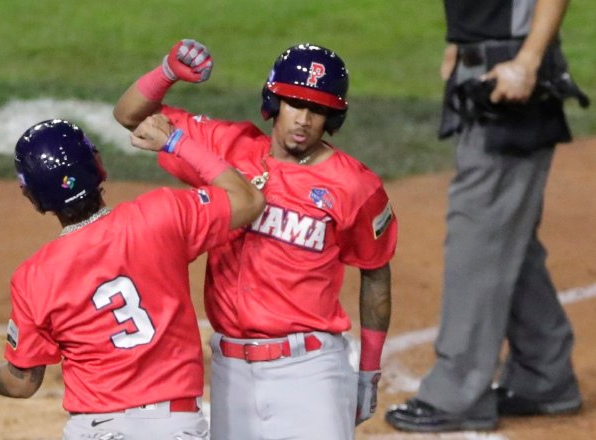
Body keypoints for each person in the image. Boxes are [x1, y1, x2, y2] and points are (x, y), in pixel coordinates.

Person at [113, 39, 398, 439]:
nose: (304, 119)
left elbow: (375, 271)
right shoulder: (226, 148)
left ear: (332, 116)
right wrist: (167, 72)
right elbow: (129, 115)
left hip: (309, 372)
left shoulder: (355, 186)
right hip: (231, 371)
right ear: (274, 101)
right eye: (295, 103)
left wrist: (368, 370)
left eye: (317, 109)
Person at [0, 117, 265, 440]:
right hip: (174, 427)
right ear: (97, 165)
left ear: (32, 197)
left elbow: (21, 382)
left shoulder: (35, 277)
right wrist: (177, 142)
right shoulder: (161, 215)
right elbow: (248, 200)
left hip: (96, 431)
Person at [385, 0, 588, 432]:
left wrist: (530, 59)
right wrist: (459, 42)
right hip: (483, 67)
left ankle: (458, 391)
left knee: (476, 234)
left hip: (512, 76)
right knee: (506, 232)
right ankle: (544, 372)